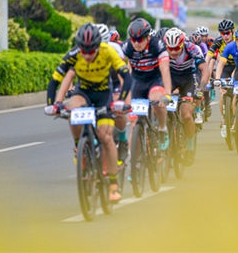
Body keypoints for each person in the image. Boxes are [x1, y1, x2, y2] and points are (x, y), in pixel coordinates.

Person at [45, 23, 132, 203]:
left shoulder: (108, 51)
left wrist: (121, 101)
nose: (87, 55)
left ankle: (113, 184)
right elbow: (56, 80)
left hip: (103, 94)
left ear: (98, 45)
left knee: (106, 137)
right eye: (84, 50)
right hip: (83, 92)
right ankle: (80, 146)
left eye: (91, 50)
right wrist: (54, 104)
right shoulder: (74, 55)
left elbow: (126, 76)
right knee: (72, 110)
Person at [122, 18, 172, 149]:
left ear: (147, 37)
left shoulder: (157, 45)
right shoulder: (128, 47)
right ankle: (135, 164)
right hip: (138, 81)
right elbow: (121, 70)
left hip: (155, 79)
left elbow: (165, 69)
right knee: (134, 124)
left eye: (140, 40)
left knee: (157, 102)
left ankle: (162, 127)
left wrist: (167, 94)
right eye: (133, 39)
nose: (136, 43)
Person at [163, 28, 209, 163]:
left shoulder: (192, 49)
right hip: (171, 77)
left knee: (186, 114)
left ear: (182, 44)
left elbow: (205, 70)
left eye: (176, 48)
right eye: (169, 48)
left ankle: (189, 145)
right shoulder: (162, 50)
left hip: (189, 78)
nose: (172, 52)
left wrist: (201, 88)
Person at [96, 23, 130, 162]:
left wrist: (123, 99)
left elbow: (123, 75)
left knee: (118, 110)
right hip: (97, 82)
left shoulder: (115, 49)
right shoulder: (84, 50)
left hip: (115, 79)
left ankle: (122, 139)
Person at [205, 19, 236, 138]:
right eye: (222, 33)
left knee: (236, 91)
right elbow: (208, 56)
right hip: (225, 67)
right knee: (223, 93)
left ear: (232, 32)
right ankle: (224, 119)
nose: (225, 36)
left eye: (227, 33)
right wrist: (203, 67)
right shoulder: (218, 41)